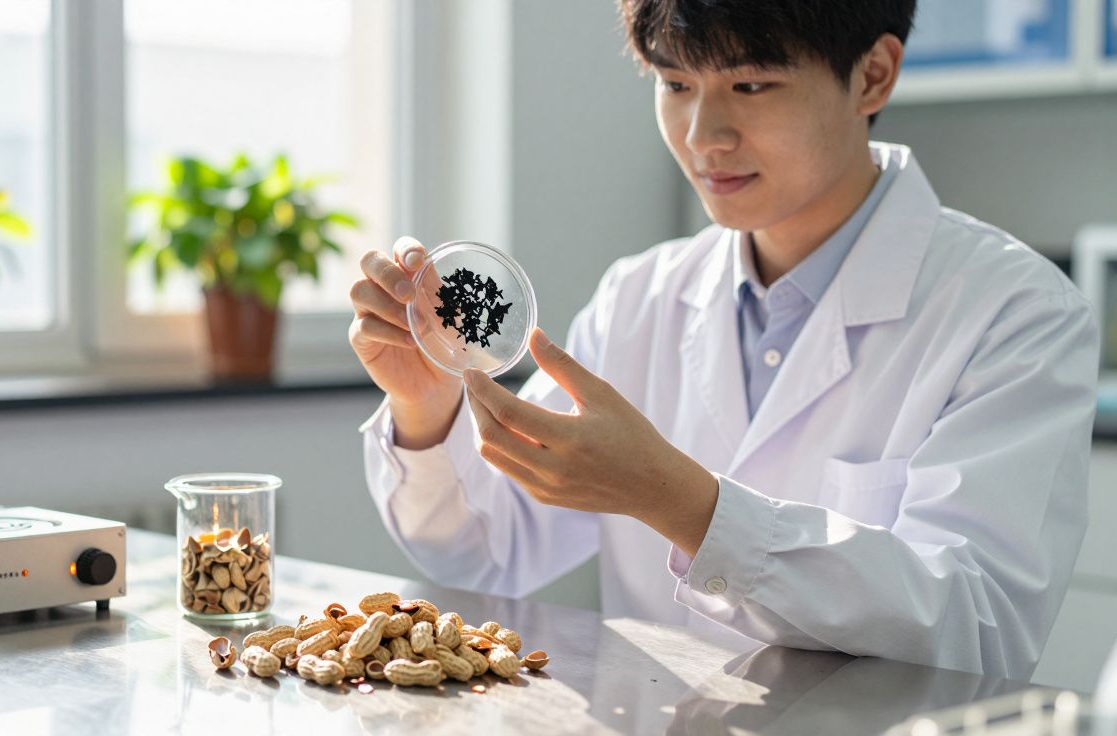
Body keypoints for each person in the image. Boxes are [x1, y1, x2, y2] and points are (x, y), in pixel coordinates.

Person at [347, 0, 1099, 681]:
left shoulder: (1017, 313)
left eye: (751, 86)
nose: (704, 136)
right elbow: (488, 550)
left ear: (873, 76)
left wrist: (677, 500)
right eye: (675, 85)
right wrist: (425, 405)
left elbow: (972, 629)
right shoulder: (640, 296)